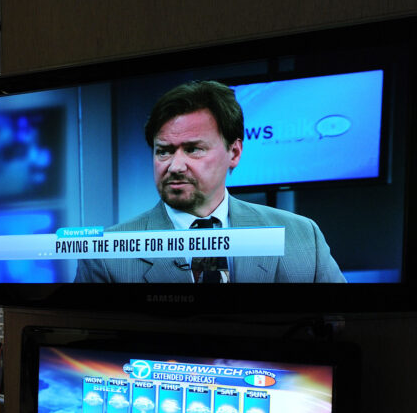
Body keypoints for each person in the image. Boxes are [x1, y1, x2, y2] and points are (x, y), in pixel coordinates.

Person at [75, 80, 346, 283]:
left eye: (193, 149)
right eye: (164, 151)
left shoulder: (301, 236)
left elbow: (340, 328)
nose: (175, 166)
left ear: (234, 152)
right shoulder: (106, 254)